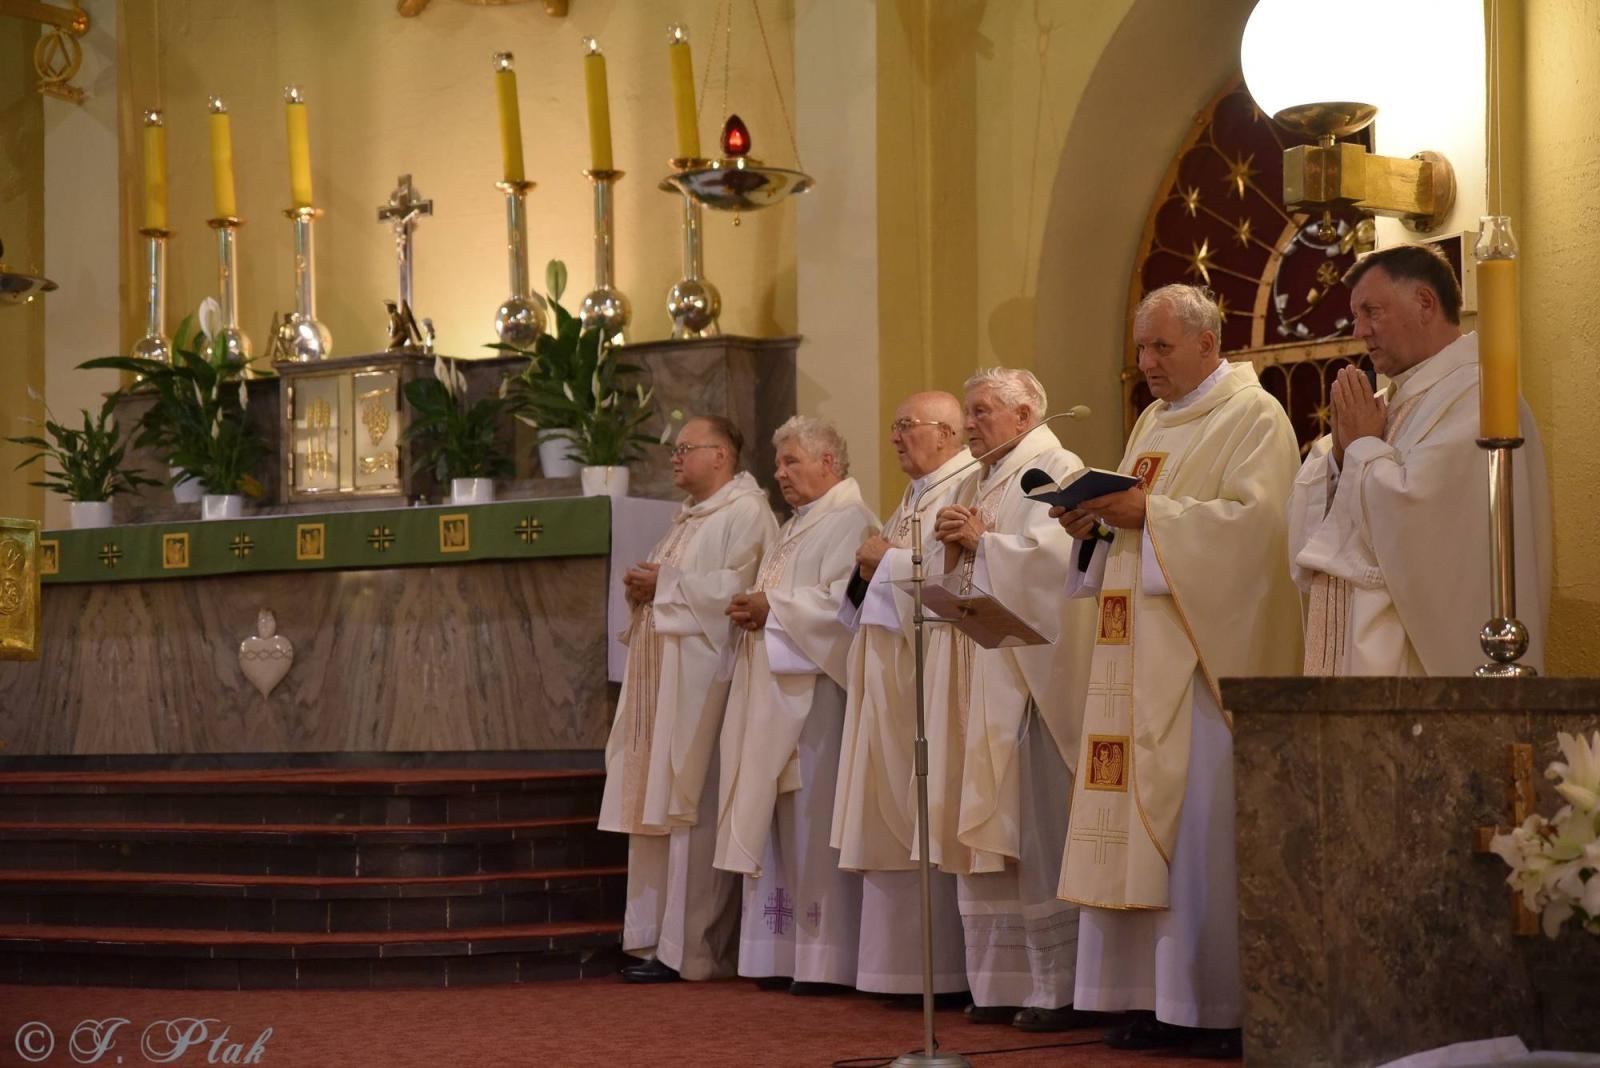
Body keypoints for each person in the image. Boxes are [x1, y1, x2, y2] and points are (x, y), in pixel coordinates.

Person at [1054, 283, 1302, 1059]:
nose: (1146, 362)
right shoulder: (1153, 421)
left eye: (1161, 347)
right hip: (1133, 653)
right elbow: (1127, 523)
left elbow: (1259, 531)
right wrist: (1089, 525)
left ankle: (1205, 1002)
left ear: (1206, 343)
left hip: (1198, 664)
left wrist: (1147, 515)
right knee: (1129, 829)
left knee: (1194, 834)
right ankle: (1140, 995)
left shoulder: (1254, 417)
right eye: (1141, 347)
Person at [1287, 243, 1552, 675]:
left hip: (1418, 665)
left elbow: (1422, 522)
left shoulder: (1480, 397)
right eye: (1356, 315)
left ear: (1425, 302)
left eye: (1371, 311)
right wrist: (1339, 455)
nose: (1359, 330)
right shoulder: (1388, 402)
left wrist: (1361, 450)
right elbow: (1308, 533)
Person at [928, 367, 1094, 1031]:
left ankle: (1056, 987)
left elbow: (1061, 562)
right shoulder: (977, 477)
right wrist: (952, 551)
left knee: (1033, 825)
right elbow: (966, 567)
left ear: (1024, 416)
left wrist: (983, 544)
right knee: (989, 826)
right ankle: (997, 981)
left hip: (1027, 678)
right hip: (977, 670)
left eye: (982, 412)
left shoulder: (1055, 466)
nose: (970, 425)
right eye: (969, 412)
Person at [597, 415, 779, 983]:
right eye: (674, 450)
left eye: (686, 449)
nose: (675, 459)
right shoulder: (689, 517)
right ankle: (651, 939)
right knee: (654, 810)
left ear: (721, 455)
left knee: (689, 813)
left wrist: (666, 585)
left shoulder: (747, 513)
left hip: (706, 689)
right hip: (665, 684)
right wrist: (643, 590)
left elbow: (743, 593)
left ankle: (691, 950)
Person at [714, 416, 880, 991]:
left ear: (828, 463)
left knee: (812, 822)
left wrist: (773, 610)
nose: (779, 473)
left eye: (791, 462)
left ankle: (825, 959)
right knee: (782, 825)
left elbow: (845, 606)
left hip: (817, 704)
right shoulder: (798, 524)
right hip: (775, 695)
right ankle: (780, 953)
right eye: (778, 462)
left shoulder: (851, 521)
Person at [831, 391, 972, 998]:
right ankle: (895, 970)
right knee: (890, 810)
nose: (894, 438)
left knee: (926, 810)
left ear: (947, 432)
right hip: (889, 678)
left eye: (906, 426)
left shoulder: (961, 486)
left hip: (929, 673)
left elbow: (951, 580)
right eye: (893, 427)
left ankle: (938, 975)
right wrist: (872, 568)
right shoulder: (917, 493)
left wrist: (883, 561)